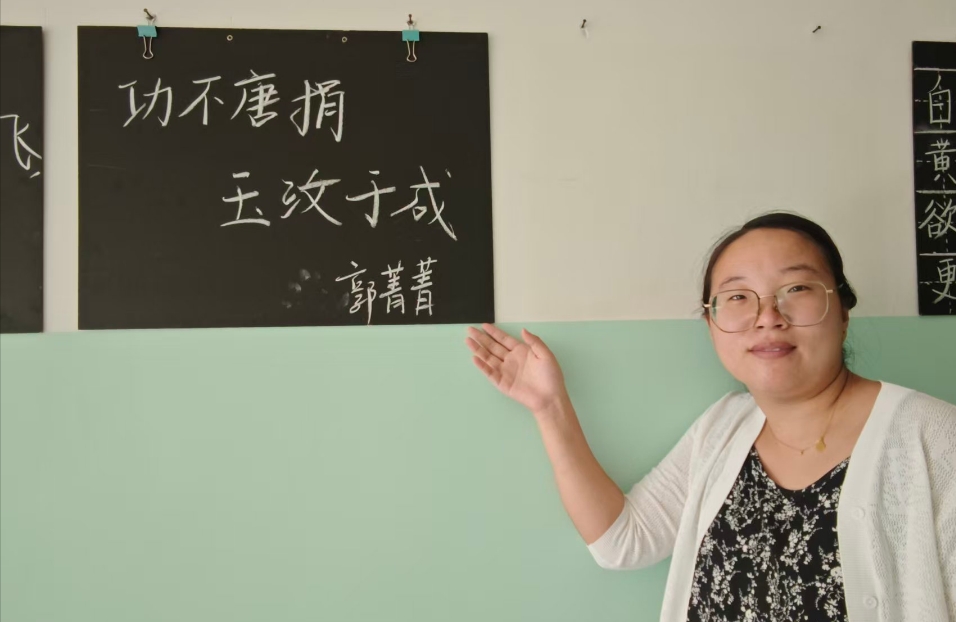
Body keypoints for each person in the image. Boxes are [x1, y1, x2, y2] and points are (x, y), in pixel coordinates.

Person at [464, 212, 955, 622]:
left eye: (797, 287)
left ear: (843, 310)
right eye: (738, 296)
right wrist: (550, 407)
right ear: (711, 323)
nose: (768, 316)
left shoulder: (934, 438)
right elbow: (622, 541)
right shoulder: (724, 428)